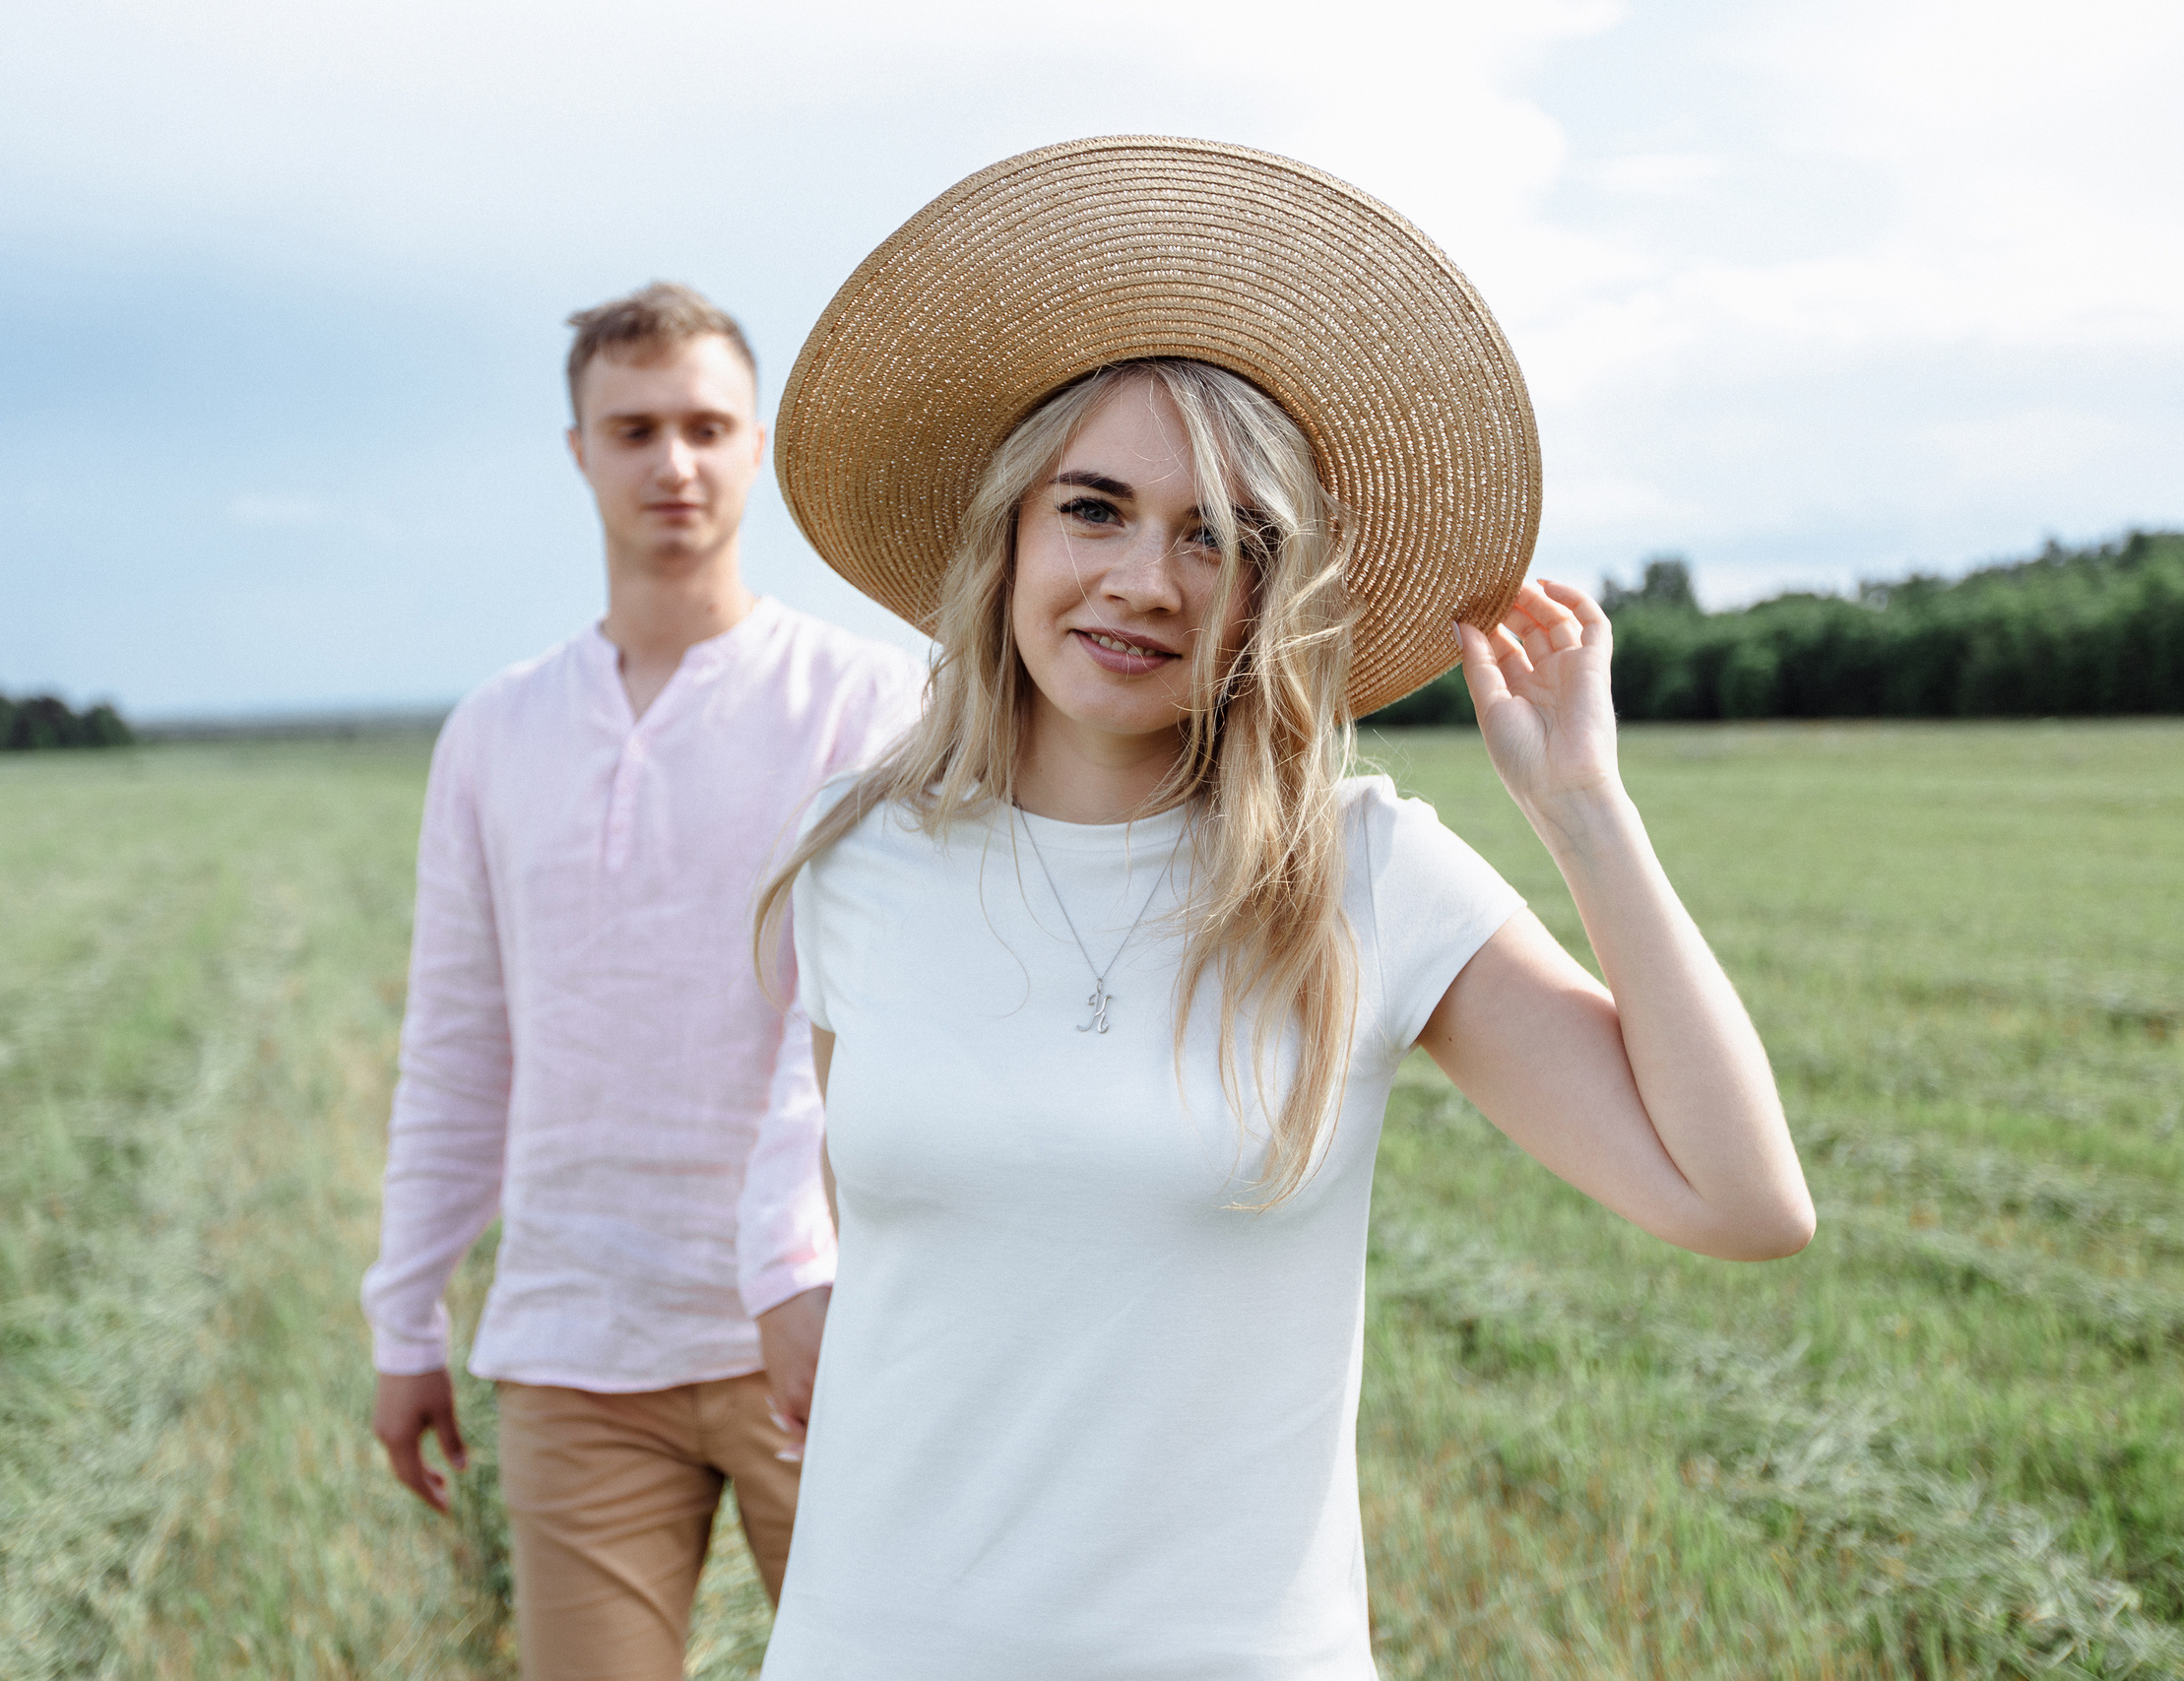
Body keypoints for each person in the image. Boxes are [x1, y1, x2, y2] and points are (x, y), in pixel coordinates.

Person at [748, 140, 1817, 1678]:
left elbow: (1740, 1201)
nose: (1147, 580)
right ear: (1009, 539)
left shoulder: (1359, 875)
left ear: (1279, 593)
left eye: (1223, 538)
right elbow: (913, 1280)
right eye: (1096, 510)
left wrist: (1586, 812)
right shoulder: (861, 863)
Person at [360, 281, 919, 1681]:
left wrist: (794, 1258)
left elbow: (854, 1012)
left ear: (758, 445)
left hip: (827, 1336)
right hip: (573, 1338)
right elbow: (458, 1039)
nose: (674, 462)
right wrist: (407, 1309)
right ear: (579, 452)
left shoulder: (866, 700)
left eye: (706, 426)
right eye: (635, 429)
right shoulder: (495, 730)